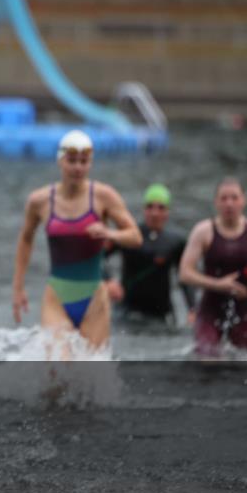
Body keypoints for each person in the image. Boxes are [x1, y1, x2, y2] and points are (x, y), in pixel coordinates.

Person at [12, 130, 142, 349]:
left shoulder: (103, 196)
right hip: (56, 298)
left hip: (95, 300)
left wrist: (109, 233)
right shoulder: (40, 200)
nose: (78, 167)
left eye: (84, 161)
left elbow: (135, 237)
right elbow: (26, 239)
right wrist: (18, 287)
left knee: (92, 375)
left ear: (90, 163)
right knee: (57, 371)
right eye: (72, 161)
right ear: (60, 161)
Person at [179, 177, 247, 356]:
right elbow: (185, 273)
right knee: (206, 361)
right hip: (210, 311)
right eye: (224, 198)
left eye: (234, 198)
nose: (229, 204)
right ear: (216, 202)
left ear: (243, 200)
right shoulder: (203, 231)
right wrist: (219, 284)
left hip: (243, 311)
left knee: (242, 367)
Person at [103, 183, 194, 324]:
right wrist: (109, 280)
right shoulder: (129, 235)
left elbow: (184, 278)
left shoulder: (175, 242)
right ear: (144, 210)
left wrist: (192, 309)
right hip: (127, 312)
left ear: (168, 212)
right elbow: (99, 258)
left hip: (162, 313)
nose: (155, 213)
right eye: (150, 207)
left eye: (161, 208)